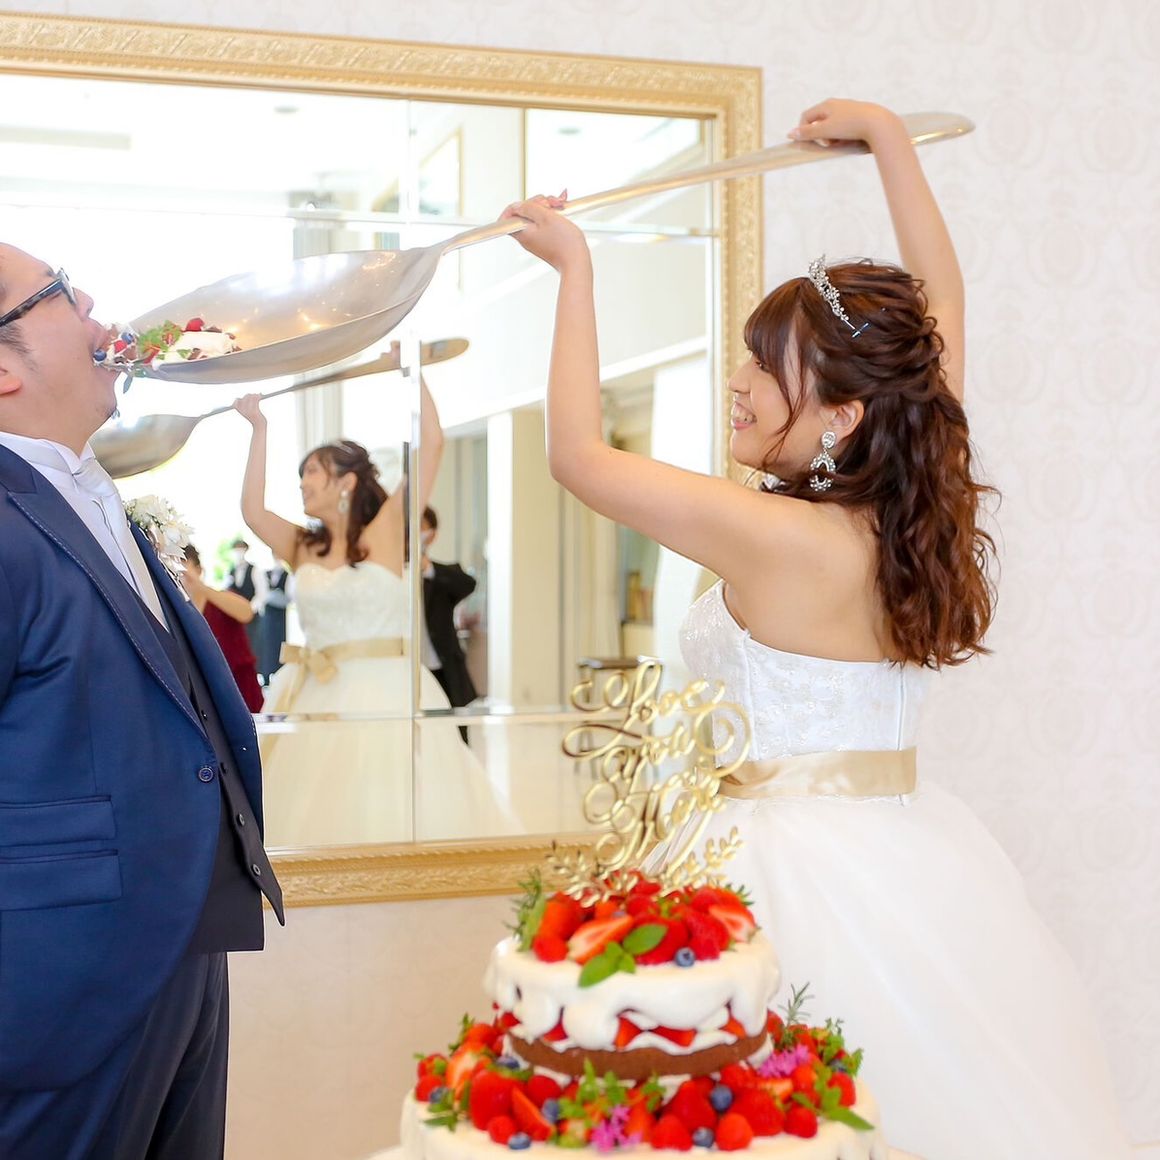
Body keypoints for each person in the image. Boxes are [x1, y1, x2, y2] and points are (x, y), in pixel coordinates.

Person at [503, 99, 1131, 1160]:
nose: (737, 382)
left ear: (842, 414)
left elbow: (577, 456)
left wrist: (573, 271)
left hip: (775, 870)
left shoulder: (780, 537)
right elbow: (943, 297)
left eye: (763, 367)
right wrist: (886, 138)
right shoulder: (911, 510)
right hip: (908, 855)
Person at [0, 248, 283, 1159]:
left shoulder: (87, 493)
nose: (95, 308)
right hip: (60, 988)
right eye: (61, 294)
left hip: (179, 946)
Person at [234, 383, 518, 845]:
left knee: (393, 805)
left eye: (312, 472)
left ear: (346, 482)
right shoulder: (301, 545)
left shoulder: (385, 531)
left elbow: (432, 444)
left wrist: (411, 372)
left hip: (387, 688)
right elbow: (252, 511)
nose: (302, 483)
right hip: (316, 690)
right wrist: (258, 428)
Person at [183, 543, 264, 712]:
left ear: (199, 570)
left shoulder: (220, 599)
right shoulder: (179, 609)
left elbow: (246, 612)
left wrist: (200, 586)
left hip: (239, 687)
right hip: (206, 693)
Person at [420, 504, 479, 742]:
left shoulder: (443, 575)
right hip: (406, 671)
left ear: (431, 534)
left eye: (419, 526)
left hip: (442, 668)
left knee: (455, 736)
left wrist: (428, 569)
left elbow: (468, 584)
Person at [224, 535, 266, 661]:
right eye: (236, 550)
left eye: (240, 549)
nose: (238, 553)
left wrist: (249, 609)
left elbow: (262, 593)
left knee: (253, 647)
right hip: (234, 617)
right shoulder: (230, 571)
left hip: (252, 617)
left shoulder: (254, 570)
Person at [259, 560, 290, 683]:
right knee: (266, 644)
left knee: (279, 642)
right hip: (268, 615)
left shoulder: (286, 575)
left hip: (280, 615)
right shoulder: (266, 573)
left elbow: (289, 596)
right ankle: (266, 674)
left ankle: (279, 672)